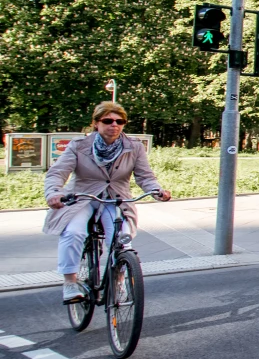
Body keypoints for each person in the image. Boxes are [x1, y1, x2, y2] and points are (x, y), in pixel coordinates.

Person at [44, 102, 171, 304]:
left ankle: (118, 282)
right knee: (74, 232)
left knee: (122, 239)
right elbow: (58, 172)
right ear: (96, 123)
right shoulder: (79, 146)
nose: (115, 125)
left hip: (115, 198)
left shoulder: (134, 147)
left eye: (120, 121)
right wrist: (54, 192)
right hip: (82, 197)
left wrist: (156, 190)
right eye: (108, 121)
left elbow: (145, 176)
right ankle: (70, 282)